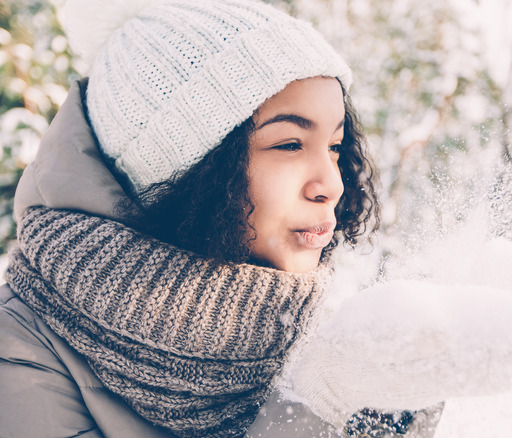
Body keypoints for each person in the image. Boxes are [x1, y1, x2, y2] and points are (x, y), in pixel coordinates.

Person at [0, 0, 444, 436]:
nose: (331, 183)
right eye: (290, 144)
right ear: (188, 167)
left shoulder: (297, 321)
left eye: (334, 146)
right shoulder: (17, 353)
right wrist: (313, 410)